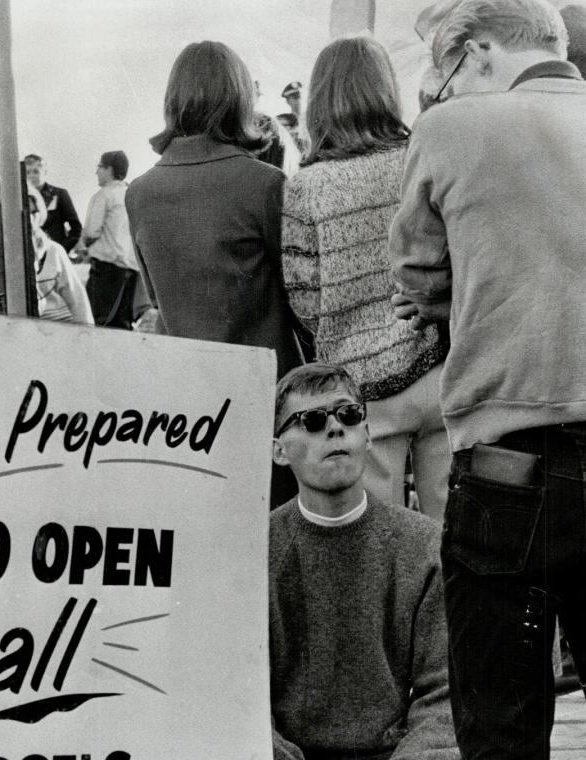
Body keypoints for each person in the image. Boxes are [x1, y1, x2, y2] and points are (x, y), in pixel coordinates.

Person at [388, 0, 586, 760]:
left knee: (504, 747)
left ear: (475, 52)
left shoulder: (459, 127)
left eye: (443, 69)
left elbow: (417, 281)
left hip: (509, 473)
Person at [270, 362, 466, 760]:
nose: (333, 429)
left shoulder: (424, 546)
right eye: (310, 421)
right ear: (278, 449)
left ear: (366, 432)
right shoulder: (251, 552)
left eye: (348, 415)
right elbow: (235, 709)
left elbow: (444, 691)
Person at [282, 37, 449, 521]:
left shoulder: (306, 187)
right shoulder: (418, 157)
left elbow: (304, 298)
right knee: (450, 532)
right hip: (438, 367)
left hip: (361, 392)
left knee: (380, 537)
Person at [125, 41, 305, 377]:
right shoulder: (265, 183)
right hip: (270, 389)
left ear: (172, 101)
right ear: (239, 100)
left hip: (190, 398)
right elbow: (301, 299)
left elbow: (157, 298)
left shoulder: (138, 193)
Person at [80, 150, 139, 330]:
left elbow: (91, 232)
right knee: (123, 324)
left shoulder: (104, 195)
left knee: (98, 321)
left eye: (99, 167)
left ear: (109, 169)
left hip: (106, 270)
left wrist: (83, 247)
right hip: (131, 270)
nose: (96, 172)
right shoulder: (132, 194)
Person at [27, 189, 93, 325]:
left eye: (34, 212)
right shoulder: (2, 255)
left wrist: (86, 335)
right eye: (24, 212)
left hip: (59, 327)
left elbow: (77, 300)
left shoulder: (53, 251)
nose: (30, 218)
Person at [24, 153, 82, 253]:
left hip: (53, 255)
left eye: (36, 172)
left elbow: (76, 229)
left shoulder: (60, 194)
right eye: (27, 172)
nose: (31, 176)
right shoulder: (20, 199)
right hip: (29, 257)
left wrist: (61, 250)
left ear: (45, 172)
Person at [276, 80, 308, 154]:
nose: (298, 100)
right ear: (288, 101)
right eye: (294, 98)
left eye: (299, 96)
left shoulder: (312, 120)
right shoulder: (282, 121)